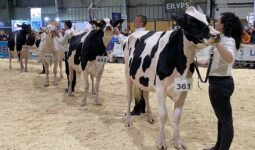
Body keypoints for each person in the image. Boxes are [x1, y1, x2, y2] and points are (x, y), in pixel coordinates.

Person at [200, 12, 243, 150]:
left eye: (218, 22)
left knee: (226, 121)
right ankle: (218, 146)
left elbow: (229, 58)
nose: (216, 23)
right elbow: (217, 62)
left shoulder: (227, 40)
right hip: (218, 82)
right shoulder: (223, 39)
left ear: (223, 25)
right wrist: (200, 63)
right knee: (221, 119)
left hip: (221, 84)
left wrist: (217, 44)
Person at [115, 15, 147, 116]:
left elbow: (126, 44)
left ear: (141, 23)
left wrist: (118, 34)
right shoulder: (146, 33)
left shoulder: (135, 35)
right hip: (145, 64)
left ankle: (137, 109)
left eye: (136, 20)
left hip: (136, 64)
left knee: (136, 87)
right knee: (143, 87)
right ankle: (142, 107)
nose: (134, 21)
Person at [56, 20, 76, 93]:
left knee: (68, 70)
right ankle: (73, 86)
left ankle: (70, 87)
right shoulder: (73, 31)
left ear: (66, 25)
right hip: (73, 52)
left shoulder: (67, 33)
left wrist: (58, 35)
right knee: (73, 70)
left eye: (64, 25)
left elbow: (61, 42)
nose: (64, 26)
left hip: (68, 52)